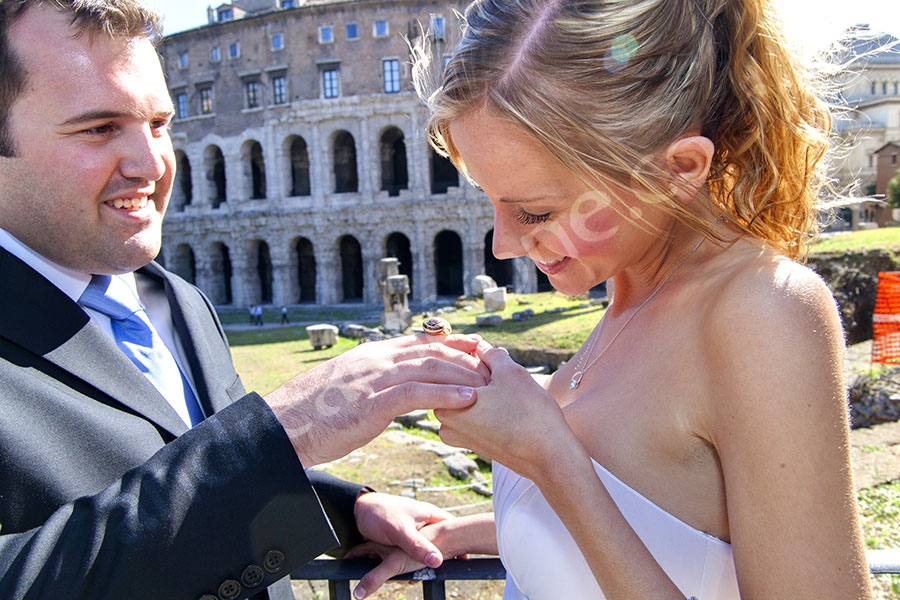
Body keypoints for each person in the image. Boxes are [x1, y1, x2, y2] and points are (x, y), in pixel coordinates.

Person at [350, 0, 874, 598]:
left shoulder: (764, 311)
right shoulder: (628, 300)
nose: (502, 245)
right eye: (491, 201)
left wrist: (548, 455)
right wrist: (454, 532)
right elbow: (669, 526)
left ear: (678, 169)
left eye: (535, 212)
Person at [0, 1, 490, 598]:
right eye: (99, 129)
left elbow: (183, 470)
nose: (152, 164)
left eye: (159, 123)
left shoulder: (175, 301)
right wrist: (281, 433)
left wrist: (343, 508)